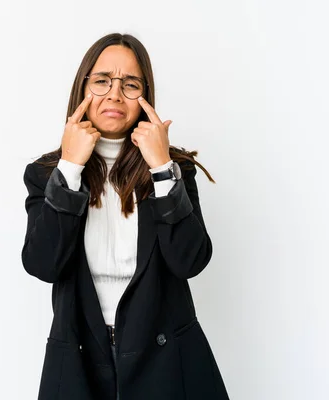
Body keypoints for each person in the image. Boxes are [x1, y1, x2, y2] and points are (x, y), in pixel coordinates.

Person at [22, 33, 230, 400]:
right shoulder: (47, 173)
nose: (115, 94)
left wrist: (162, 167)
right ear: (83, 88)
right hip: (80, 361)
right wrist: (70, 166)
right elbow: (43, 264)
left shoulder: (173, 168)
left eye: (130, 84)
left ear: (144, 96)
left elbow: (190, 260)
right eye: (102, 80)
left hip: (165, 362)